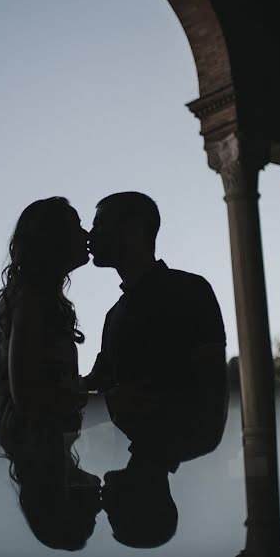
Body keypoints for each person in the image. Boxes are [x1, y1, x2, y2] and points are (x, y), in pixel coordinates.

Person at [0, 196, 100, 550]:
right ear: (53, 239)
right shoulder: (33, 299)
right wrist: (111, 401)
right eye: (76, 227)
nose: (86, 234)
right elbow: (28, 395)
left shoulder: (37, 298)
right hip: (36, 445)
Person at [81, 191, 228, 474]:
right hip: (132, 469)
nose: (91, 235)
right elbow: (101, 385)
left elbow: (211, 391)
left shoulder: (189, 292)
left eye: (100, 224)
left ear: (134, 229)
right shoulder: (114, 315)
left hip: (169, 469)